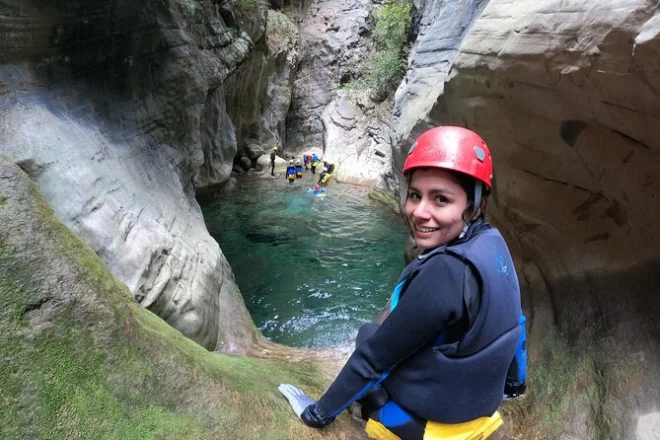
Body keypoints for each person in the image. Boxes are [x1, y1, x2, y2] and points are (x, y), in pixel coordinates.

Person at [278, 126, 528, 440]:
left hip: (430, 426)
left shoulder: (446, 272)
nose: (419, 212)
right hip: (478, 406)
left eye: (440, 199)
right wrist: (514, 386)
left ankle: (373, 414)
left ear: (475, 205)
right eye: (414, 195)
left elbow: (372, 361)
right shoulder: (492, 242)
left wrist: (315, 413)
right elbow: (517, 324)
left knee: (368, 335)